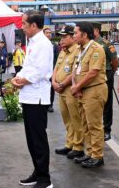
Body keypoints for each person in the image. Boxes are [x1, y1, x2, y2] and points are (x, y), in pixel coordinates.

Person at [12, 10, 55, 188]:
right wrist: (18, 77)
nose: (22, 27)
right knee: (31, 138)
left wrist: (22, 81)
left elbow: (41, 71)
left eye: (24, 24)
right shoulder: (33, 43)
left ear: (34, 25)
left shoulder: (43, 44)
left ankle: (45, 178)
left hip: (37, 96)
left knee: (38, 138)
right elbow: (28, 67)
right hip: (28, 95)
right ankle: (37, 172)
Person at [70, 22, 108, 168]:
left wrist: (78, 86)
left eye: (75, 33)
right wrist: (76, 86)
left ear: (84, 35)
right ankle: (90, 153)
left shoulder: (96, 49)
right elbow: (76, 70)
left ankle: (97, 156)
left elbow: (93, 72)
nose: (73, 36)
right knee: (85, 123)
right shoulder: (80, 49)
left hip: (94, 90)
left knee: (94, 124)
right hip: (82, 91)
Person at [51, 25, 85, 160]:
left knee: (76, 118)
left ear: (72, 37)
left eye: (65, 37)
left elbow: (75, 72)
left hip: (70, 89)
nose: (62, 40)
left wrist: (62, 84)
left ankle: (78, 146)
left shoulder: (78, 51)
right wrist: (53, 82)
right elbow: (56, 67)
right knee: (67, 119)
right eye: (61, 37)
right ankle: (69, 143)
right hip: (60, 89)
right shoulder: (63, 51)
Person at [92, 22, 119, 141]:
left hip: (105, 74)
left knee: (107, 103)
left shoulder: (106, 44)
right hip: (91, 76)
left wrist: (111, 72)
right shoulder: (88, 44)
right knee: (93, 102)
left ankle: (107, 129)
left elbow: (114, 61)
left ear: (96, 31)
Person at [44, 27, 60, 113]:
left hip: (52, 71)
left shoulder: (54, 45)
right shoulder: (40, 44)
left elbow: (58, 59)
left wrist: (56, 70)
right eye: (47, 33)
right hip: (42, 71)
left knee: (51, 88)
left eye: (50, 33)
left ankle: (50, 104)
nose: (49, 34)